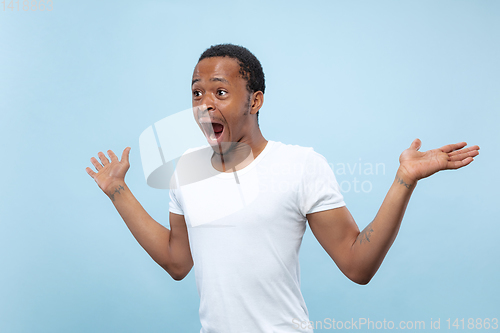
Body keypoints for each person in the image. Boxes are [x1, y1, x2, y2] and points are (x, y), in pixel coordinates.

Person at [86, 44, 480, 333]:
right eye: (196, 93)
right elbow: (177, 261)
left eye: (220, 92)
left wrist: (403, 181)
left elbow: (358, 266)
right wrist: (118, 191)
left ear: (254, 100)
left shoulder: (300, 165)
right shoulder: (187, 169)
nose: (204, 104)